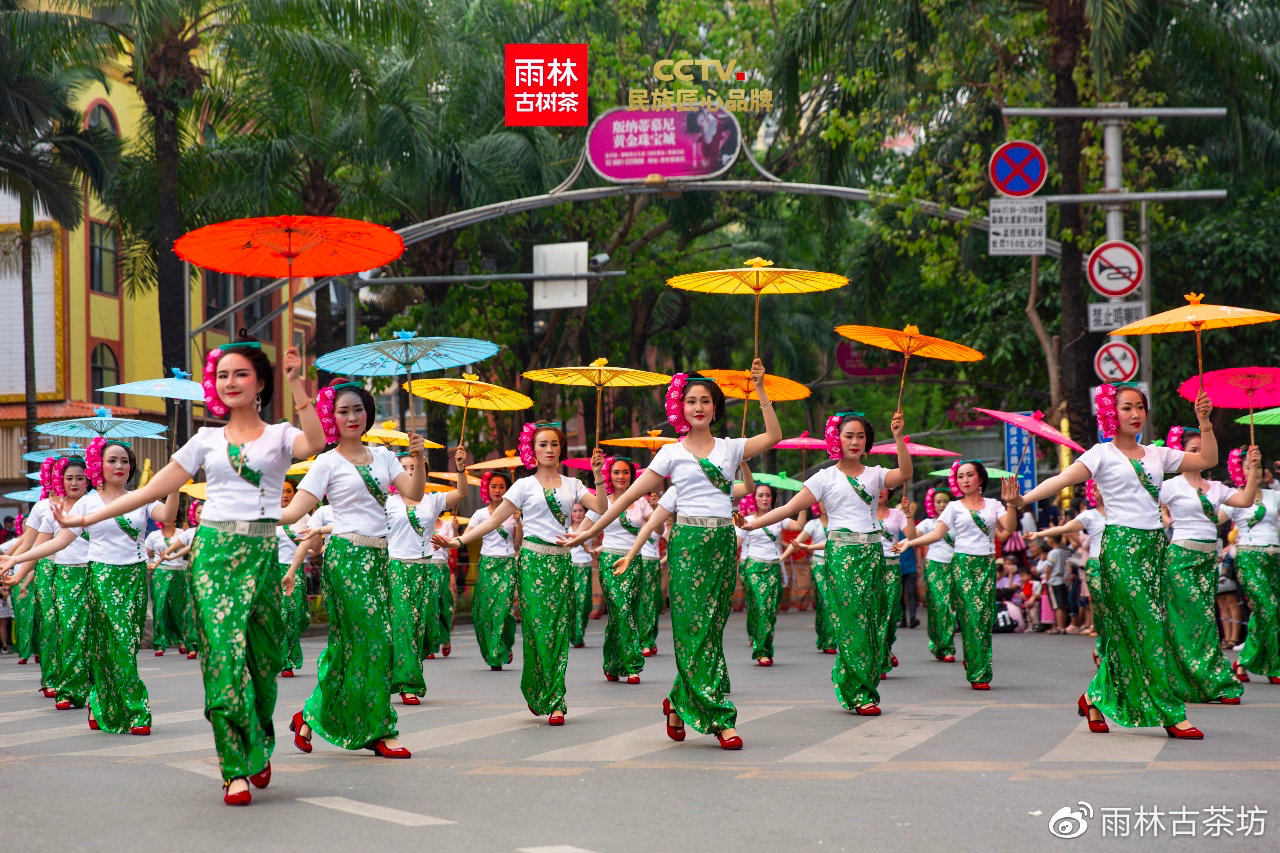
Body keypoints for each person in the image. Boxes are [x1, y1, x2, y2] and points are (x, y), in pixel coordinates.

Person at [40, 338, 322, 804]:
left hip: (261, 556)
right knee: (222, 662)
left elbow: (315, 442)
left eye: (241, 374)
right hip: (212, 557)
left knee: (263, 664)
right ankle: (233, 767)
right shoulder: (205, 439)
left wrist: (298, 385)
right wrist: (83, 517)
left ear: (261, 384)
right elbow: (150, 491)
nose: (230, 382)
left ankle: (257, 739)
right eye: (223, 375)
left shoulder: (280, 435)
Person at [564, 362, 780, 747]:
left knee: (711, 630)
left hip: (721, 546)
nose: (698, 406)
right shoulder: (670, 453)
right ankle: (720, 719)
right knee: (690, 631)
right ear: (680, 409)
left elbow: (774, 435)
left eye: (706, 401)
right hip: (687, 547)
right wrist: (591, 531)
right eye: (691, 401)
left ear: (716, 408)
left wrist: (761, 389)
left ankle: (679, 703)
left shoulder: (732, 449)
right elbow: (627, 497)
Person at [1007, 382, 1215, 738]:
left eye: (1140, 407)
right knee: (1150, 628)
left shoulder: (1158, 454)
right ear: (1111, 413)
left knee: (1128, 634)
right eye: (1126, 408)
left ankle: (1093, 698)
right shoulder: (1100, 454)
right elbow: (1060, 479)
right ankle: (1169, 712)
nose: (1135, 414)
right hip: (1119, 550)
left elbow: (1207, 460)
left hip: (1154, 549)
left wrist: (1205, 422)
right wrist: (1022, 500)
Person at [283, 377, 425, 762]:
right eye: (343, 411)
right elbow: (296, 511)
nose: (352, 416)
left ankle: (309, 714)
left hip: (380, 559)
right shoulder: (325, 462)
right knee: (376, 641)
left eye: (358, 409)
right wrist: (252, 512)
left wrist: (420, 458)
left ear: (368, 414)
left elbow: (413, 495)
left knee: (350, 646)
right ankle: (381, 729)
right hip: (345, 559)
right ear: (332, 417)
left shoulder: (384, 457)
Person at [436, 423, 607, 726]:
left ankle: (556, 698)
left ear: (560, 448)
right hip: (531, 563)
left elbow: (601, 507)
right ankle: (538, 687)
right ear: (533, 449)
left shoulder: (573, 485)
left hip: (561, 563)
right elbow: (492, 521)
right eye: (543, 444)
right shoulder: (523, 486)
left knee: (557, 630)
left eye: (554, 444)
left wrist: (598, 476)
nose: (549, 450)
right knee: (536, 630)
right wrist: (459, 541)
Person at [742, 409, 910, 714]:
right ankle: (861, 693)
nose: (855, 441)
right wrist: (754, 524)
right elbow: (790, 508)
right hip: (841, 555)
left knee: (870, 620)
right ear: (837, 439)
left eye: (861, 436)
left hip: (872, 553)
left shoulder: (875, 474)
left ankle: (857, 684)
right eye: (849, 435)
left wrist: (898, 438)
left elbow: (905, 474)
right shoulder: (824, 477)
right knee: (851, 620)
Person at [897, 461, 1017, 689]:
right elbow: (936, 534)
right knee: (970, 616)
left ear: (980, 479)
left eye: (970, 475)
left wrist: (1011, 503)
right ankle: (978, 671)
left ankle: (974, 659)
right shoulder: (953, 507)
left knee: (983, 617)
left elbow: (1008, 529)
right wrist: (910, 542)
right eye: (961, 476)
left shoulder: (993, 505)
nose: (965, 480)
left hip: (986, 565)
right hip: (962, 566)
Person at [1158, 429, 1258, 703]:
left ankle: (1202, 681)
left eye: (1203, 449)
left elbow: (1246, 501)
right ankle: (1203, 681)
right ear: (1181, 453)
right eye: (1193, 449)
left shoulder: (1216, 488)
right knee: (1193, 619)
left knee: (1204, 622)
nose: (1199, 454)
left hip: (1207, 561)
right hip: (1180, 559)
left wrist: (1253, 470)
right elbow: (1144, 507)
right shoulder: (1170, 486)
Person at [385, 447, 466, 704]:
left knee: (422, 627)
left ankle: (406, 671)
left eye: (415, 467)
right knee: (405, 625)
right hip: (396, 569)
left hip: (426, 569)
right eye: (404, 468)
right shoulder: (387, 502)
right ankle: (409, 683)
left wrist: (461, 468)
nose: (409, 472)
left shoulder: (433, 500)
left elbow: (462, 493)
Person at [584, 456, 653, 683]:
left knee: (624, 613)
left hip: (633, 560)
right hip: (610, 561)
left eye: (625, 472)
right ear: (609, 476)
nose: (621, 477)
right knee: (621, 609)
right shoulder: (603, 502)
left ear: (632, 476)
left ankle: (612, 663)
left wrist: (655, 510)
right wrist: (577, 540)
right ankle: (632, 665)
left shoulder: (641, 502)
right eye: (616, 472)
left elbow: (658, 529)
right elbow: (586, 528)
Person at [1030, 481, 1107, 661]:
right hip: (1096, 565)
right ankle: (1102, 649)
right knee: (1102, 608)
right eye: (1095, 488)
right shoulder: (1089, 515)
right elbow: (1065, 528)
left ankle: (1115, 651)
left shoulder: (1123, 514)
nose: (1098, 491)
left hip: (1117, 565)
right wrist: (1039, 535)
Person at [1224, 448, 1280, 686]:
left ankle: (1244, 662)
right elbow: (1216, 517)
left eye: (1257, 466)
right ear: (1240, 469)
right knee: (1266, 607)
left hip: (1274, 557)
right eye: (1248, 465)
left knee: (1270, 611)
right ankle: (1269, 663)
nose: (1253, 470)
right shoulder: (1235, 496)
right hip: (1248, 555)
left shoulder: (1274, 495)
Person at [736, 484, 805, 666]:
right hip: (754, 567)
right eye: (761, 495)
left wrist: (803, 503)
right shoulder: (747, 520)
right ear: (755, 498)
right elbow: (735, 544)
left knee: (770, 610)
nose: (765, 498)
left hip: (774, 567)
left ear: (772, 498)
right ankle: (761, 651)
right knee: (761, 607)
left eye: (768, 495)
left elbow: (798, 526)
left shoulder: (779, 518)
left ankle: (764, 645)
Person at [469, 470, 521, 670]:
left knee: (506, 611)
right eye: (494, 486)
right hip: (487, 565)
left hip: (507, 564)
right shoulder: (480, 514)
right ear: (487, 489)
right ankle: (493, 653)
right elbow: (468, 536)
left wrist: (518, 521)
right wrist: (455, 532)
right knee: (486, 613)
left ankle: (504, 645)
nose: (497, 490)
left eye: (502, 487)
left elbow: (518, 543)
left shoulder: (513, 514)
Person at [781, 503, 833, 653]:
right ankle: (828, 640)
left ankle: (827, 638)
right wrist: (782, 558)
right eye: (822, 501)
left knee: (831, 602)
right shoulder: (813, 524)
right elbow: (797, 542)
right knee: (825, 599)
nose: (825, 505)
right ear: (818, 505)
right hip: (818, 565)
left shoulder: (839, 522)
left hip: (836, 565)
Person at [876, 489, 915, 675]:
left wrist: (907, 514)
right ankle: (880, 659)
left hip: (892, 567)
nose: (880, 491)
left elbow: (912, 536)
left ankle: (886, 648)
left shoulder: (897, 514)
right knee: (875, 614)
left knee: (890, 613)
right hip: (870, 569)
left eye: (884, 487)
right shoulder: (862, 513)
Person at [916, 487, 957, 661]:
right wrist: (907, 515)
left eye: (945, 501)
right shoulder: (928, 524)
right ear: (932, 504)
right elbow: (912, 537)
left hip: (955, 566)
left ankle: (947, 646)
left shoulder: (959, 522)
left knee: (950, 606)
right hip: (934, 566)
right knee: (937, 605)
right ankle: (937, 642)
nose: (942, 505)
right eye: (938, 502)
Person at [275, 480, 310, 677]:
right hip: (274, 571)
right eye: (281, 491)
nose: (285, 494)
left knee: (296, 614)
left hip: (296, 571)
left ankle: (287, 653)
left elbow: (310, 545)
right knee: (281, 615)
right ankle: (285, 660)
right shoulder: (269, 515)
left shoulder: (304, 516)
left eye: (288, 491)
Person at [145, 515, 190, 656]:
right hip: (160, 573)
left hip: (178, 573)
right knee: (160, 607)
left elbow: (191, 548)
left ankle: (180, 640)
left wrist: (187, 531)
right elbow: (146, 553)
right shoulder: (154, 535)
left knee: (178, 609)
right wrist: (149, 564)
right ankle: (160, 643)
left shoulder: (182, 533)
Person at [636, 485, 666, 657]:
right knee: (642, 603)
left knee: (654, 602)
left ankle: (651, 637)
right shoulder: (633, 517)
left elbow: (664, 535)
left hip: (653, 565)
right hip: (638, 561)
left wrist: (656, 510)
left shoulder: (657, 518)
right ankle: (644, 640)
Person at [568, 502, 594, 648]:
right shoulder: (566, 529)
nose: (578, 513)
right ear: (570, 514)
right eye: (575, 511)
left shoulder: (590, 528)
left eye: (580, 511)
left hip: (585, 567)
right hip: (571, 568)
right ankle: (575, 634)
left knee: (585, 603)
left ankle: (580, 630)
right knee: (573, 602)